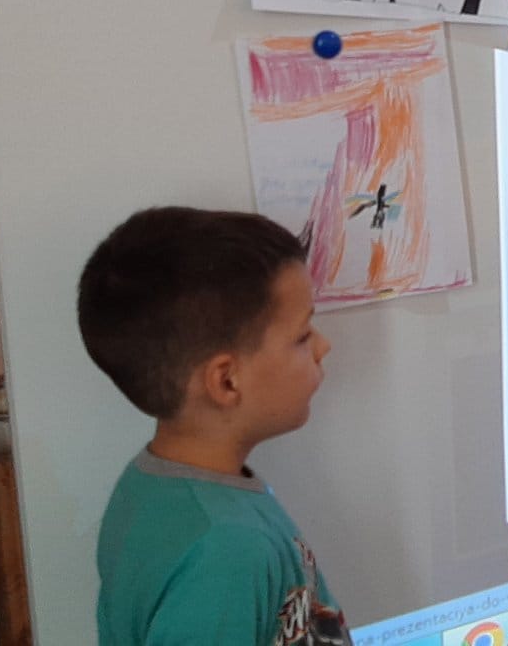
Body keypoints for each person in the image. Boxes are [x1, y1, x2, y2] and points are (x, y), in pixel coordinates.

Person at [80, 206, 347, 645]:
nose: (324, 346)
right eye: (302, 336)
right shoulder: (225, 550)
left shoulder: (151, 484)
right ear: (226, 381)